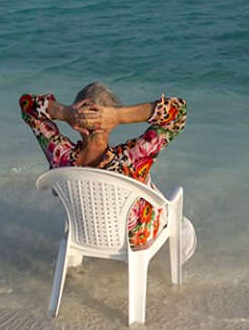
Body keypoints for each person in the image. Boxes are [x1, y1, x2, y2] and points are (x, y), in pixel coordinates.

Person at [19, 83, 187, 248]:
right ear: (110, 122)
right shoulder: (132, 158)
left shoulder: (59, 155)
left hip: (83, 234)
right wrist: (120, 116)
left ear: (76, 121)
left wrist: (64, 112)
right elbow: (178, 112)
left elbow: (27, 105)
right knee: (160, 199)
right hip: (133, 238)